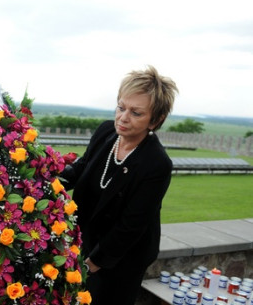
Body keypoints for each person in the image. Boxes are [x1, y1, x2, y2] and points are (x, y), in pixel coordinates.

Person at [60, 65, 178, 305]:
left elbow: (131, 225)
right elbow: (81, 168)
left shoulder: (156, 163)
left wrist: (93, 263)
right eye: (121, 107)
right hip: (87, 238)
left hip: (122, 257)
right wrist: (42, 178)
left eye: (136, 113)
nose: (123, 118)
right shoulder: (106, 132)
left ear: (156, 120)